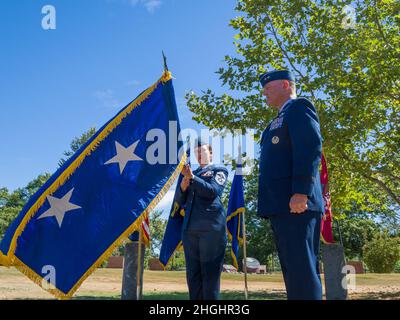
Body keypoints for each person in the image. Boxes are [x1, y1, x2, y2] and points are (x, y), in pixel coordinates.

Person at [257, 70, 324, 300]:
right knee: (293, 272)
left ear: (286, 84)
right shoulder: (276, 120)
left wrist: (300, 192)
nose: (264, 93)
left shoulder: (298, 108)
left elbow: (309, 147)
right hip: (281, 205)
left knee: (302, 271)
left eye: (268, 88)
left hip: (297, 203)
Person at [174, 138, 228, 300]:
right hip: (190, 230)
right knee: (193, 275)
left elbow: (212, 191)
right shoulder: (192, 174)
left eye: (201, 151)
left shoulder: (219, 170)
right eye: (196, 152)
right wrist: (183, 188)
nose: (198, 155)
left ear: (210, 152)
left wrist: (192, 178)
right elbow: (179, 201)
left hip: (211, 230)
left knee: (210, 275)